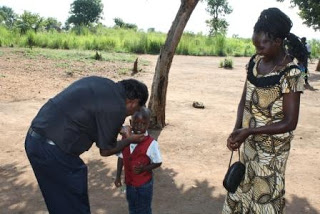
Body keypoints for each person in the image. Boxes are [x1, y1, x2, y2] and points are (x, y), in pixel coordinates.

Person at [222, 8, 307, 214]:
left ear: (278, 41)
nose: (258, 49)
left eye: (262, 45)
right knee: (242, 191)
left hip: (271, 153)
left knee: (263, 198)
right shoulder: (255, 62)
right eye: (255, 44)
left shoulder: (291, 74)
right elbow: (245, 99)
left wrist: (249, 132)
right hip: (249, 144)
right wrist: (237, 130)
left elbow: (290, 122)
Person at [25, 76, 149, 214]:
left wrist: (119, 128)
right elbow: (106, 150)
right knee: (72, 201)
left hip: (35, 139)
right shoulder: (118, 107)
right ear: (134, 102)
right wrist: (130, 140)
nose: (131, 114)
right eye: (135, 110)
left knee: (59, 200)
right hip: (53, 151)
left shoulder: (103, 84)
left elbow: (93, 114)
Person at [114, 107, 162, 214]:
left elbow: (158, 162)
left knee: (144, 209)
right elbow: (121, 157)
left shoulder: (151, 143)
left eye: (143, 123)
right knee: (132, 207)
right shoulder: (126, 139)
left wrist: (144, 168)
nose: (139, 126)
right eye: (136, 123)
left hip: (144, 185)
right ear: (130, 122)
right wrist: (117, 177)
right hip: (129, 183)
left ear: (148, 124)